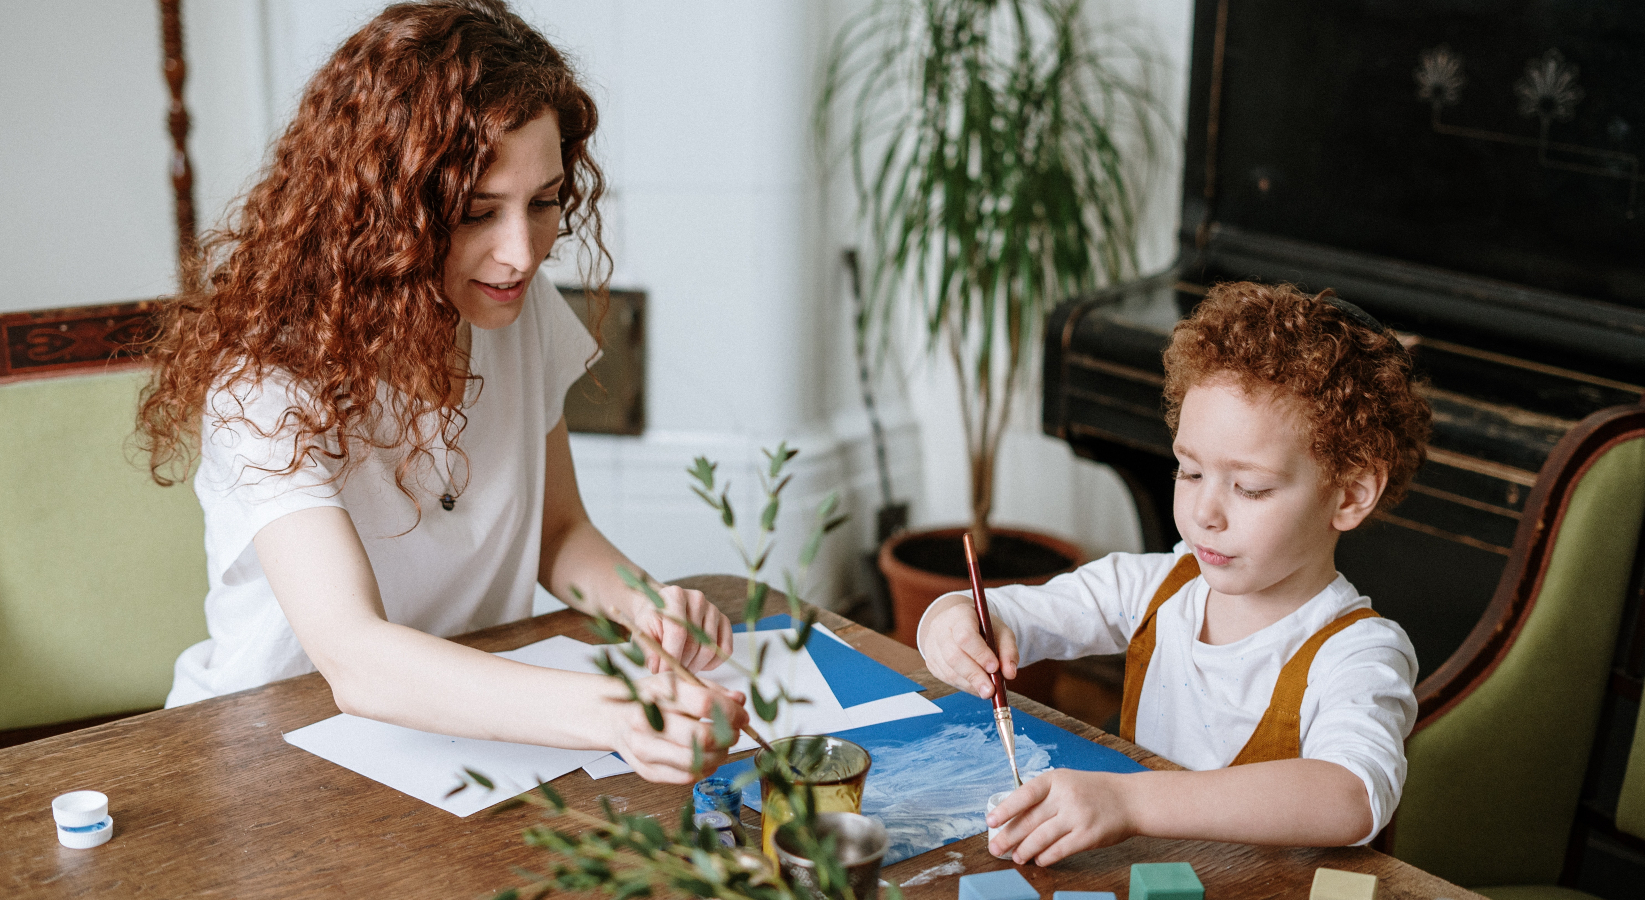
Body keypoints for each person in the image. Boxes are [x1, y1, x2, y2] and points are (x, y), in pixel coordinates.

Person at [136, 0, 748, 785]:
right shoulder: (268, 381)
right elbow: (355, 657)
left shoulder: (513, 308)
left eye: (544, 201)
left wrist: (643, 603)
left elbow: (557, 529)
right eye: (475, 213)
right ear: (381, 210)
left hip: (472, 732)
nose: (521, 253)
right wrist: (616, 713)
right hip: (276, 750)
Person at [919, 281, 1431, 862]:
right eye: (1189, 472)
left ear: (1349, 495)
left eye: (1251, 488)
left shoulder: (1360, 653)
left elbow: (1350, 797)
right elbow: (1007, 612)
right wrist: (952, 619)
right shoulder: (1154, 588)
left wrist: (1131, 803)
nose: (1204, 513)